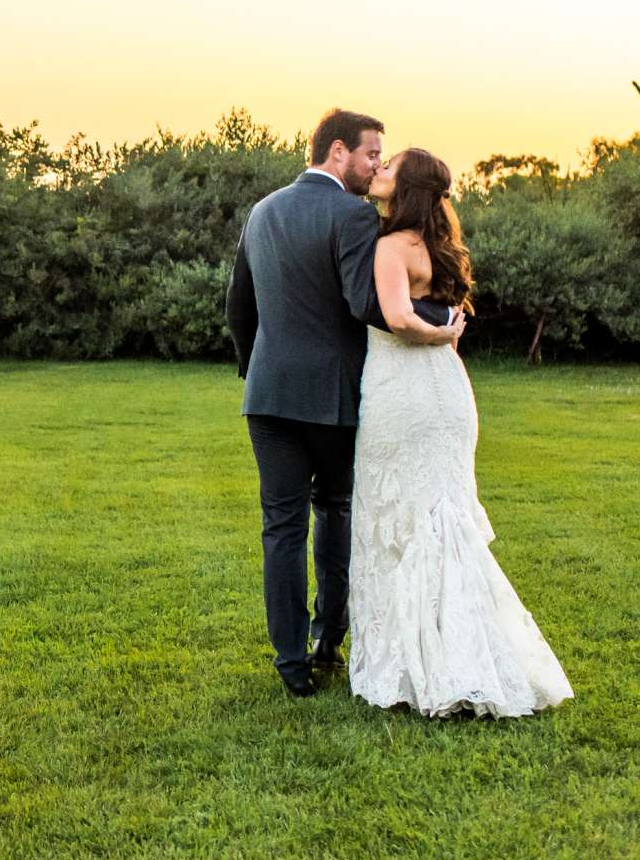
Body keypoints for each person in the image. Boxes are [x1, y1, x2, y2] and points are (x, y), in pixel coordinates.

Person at [226, 109, 465, 697]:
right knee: (334, 512)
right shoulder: (354, 215)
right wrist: (438, 319)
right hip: (333, 396)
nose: (376, 166)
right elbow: (369, 305)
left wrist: (254, 369)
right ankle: (328, 643)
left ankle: (289, 664)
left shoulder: (262, 211)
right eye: (370, 154)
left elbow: (239, 305)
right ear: (338, 152)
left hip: (268, 395)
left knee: (280, 527)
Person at [347, 146, 570, 718]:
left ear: (407, 188)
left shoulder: (393, 246)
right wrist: (447, 336)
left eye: (389, 166)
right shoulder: (438, 249)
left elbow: (396, 317)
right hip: (447, 393)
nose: (379, 171)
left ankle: (429, 668)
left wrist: (438, 336)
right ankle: (462, 652)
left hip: (406, 390)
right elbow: (442, 313)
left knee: (405, 518)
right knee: (441, 517)